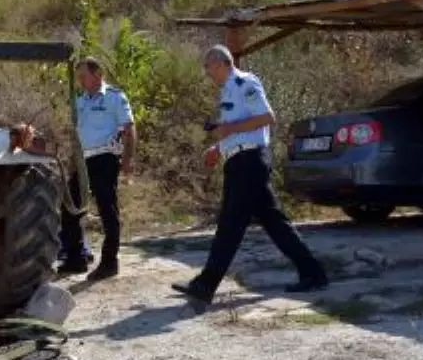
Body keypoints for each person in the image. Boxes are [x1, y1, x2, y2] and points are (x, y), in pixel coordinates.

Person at [173, 45, 329, 313]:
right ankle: (313, 272)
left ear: (222, 63)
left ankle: (205, 285)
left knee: (230, 224)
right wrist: (217, 148)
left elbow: (267, 117)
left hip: (250, 162)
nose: (207, 72)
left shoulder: (246, 82)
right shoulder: (226, 92)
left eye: (209, 67)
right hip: (238, 162)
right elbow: (235, 134)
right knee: (274, 223)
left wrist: (229, 129)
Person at [58, 57, 137, 280]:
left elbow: (129, 129)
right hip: (83, 160)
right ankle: (75, 258)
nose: (80, 80)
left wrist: (128, 159)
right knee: (71, 207)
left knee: (107, 209)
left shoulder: (114, 97)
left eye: (84, 75)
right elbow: (77, 133)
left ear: (97, 74)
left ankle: (110, 261)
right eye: (79, 77)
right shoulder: (80, 101)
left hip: (105, 158)